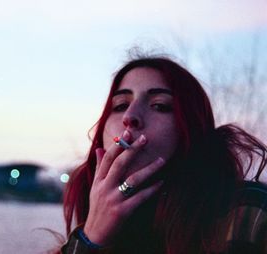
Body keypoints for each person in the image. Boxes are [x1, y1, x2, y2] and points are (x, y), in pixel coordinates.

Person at [58, 54, 267, 253]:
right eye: (120, 105)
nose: (130, 117)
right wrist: (91, 238)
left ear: (192, 129)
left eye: (159, 105)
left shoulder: (249, 213)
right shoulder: (84, 232)